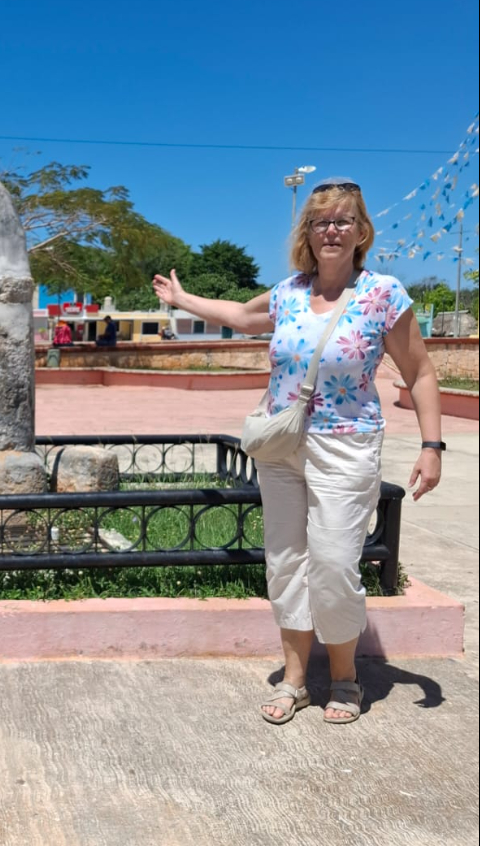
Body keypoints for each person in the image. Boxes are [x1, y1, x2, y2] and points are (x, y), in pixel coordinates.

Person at [152, 177, 443, 726]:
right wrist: (183, 299)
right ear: (306, 233)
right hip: (282, 446)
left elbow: (420, 371)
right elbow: (240, 316)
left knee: (334, 565)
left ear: (361, 231)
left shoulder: (382, 294)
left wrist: (432, 446)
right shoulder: (288, 292)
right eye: (320, 221)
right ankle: (293, 679)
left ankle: (344, 678)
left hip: (346, 444)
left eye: (343, 220)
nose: (332, 229)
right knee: (286, 563)